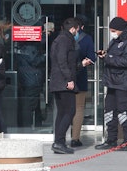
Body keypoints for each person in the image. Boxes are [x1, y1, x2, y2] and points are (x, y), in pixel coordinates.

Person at [94, 17, 127, 151]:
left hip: (124, 83)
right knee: (109, 111)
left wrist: (108, 58)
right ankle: (111, 140)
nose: (112, 33)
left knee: (124, 111)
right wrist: (105, 54)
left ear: (121, 29)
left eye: (114, 30)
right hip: (112, 82)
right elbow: (113, 56)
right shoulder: (116, 41)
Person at [49, 17, 92, 154]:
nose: (77, 32)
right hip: (63, 82)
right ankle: (59, 142)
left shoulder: (62, 39)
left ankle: (58, 142)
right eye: (77, 29)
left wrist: (81, 65)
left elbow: (68, 63)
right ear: (73, 29)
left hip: (60, 81)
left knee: (62, 112)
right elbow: (62, 62)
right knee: (70, 111)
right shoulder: (64, 40)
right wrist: (69, 80)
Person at [70, 15, 96, 147]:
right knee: (79, 108)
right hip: (79, 77)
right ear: (82, 27)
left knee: (64, 109)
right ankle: (75, 138)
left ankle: (60, 137)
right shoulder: (87, 39)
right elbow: (92, 58)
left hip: (63, 78)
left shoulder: (61, 38)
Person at [16, 42, 46, 128]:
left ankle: (35, 124)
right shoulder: (30, 48)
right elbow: (35, 61)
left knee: (31, 105)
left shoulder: (21, 47)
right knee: (30, 106)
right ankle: (28, 127)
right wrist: (45, 56)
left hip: (26, 79)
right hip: (32, 79)